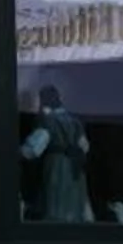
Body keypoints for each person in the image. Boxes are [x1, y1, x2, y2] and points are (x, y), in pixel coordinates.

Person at [20, 85, 92, 225]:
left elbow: (34, 149)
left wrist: (17, 152)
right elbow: (85, 147)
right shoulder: (75, 121)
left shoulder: (48, 121)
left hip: (56, 168)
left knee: (56, 206)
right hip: (75, 168)